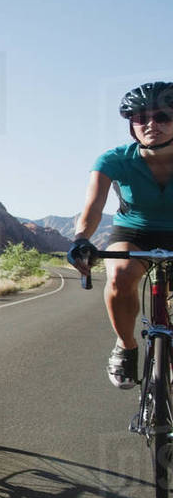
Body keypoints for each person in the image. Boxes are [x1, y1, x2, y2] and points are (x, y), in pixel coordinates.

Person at [68, 82, 173, 389]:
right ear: (132, 125)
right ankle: (126, 346)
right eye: (141, 118)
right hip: (134, 230)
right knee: (121, 276)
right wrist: (80, 239)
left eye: (163, 116)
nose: (151, 124)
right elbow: (93, 208)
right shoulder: (113, 159)